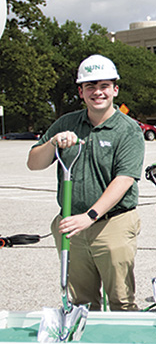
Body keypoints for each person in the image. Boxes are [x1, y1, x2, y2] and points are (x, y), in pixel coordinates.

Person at [27, 54, 144, 311]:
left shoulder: (128, 130)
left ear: (115, 89)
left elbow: (124, 179)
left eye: (104, 86)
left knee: (121, 302)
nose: (98, 92)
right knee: (81, 303)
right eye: (90, 86)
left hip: (112, 223)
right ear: (81, 92)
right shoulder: (66, 123)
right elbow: (34, 162)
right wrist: (53, 142)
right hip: (71, 224)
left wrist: (89, 216)